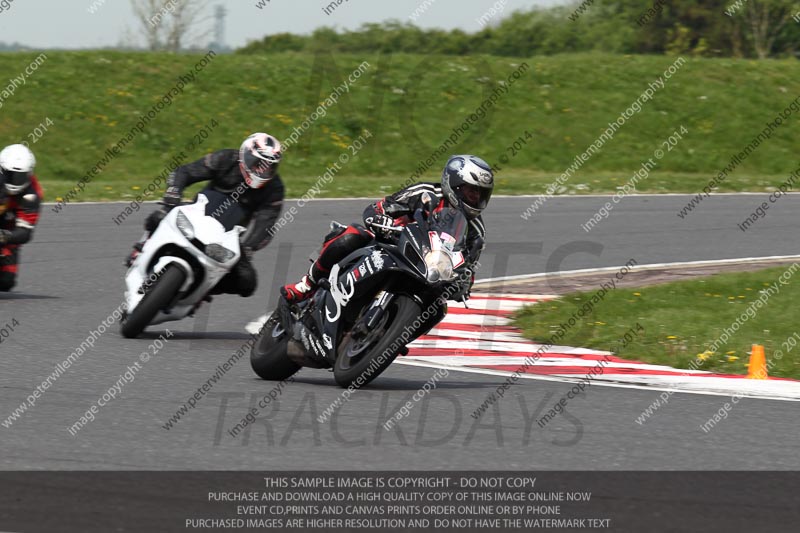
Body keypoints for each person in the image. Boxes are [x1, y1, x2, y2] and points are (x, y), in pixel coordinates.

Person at [281, 154, 493, 303]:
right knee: (353, 235)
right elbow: (378, 208)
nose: (476, 198)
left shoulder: (476, 230)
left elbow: (469, 267)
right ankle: (306, 285)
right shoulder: (425, 192)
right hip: (390, 244)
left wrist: (463, 284)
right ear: (454, 184)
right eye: (471, 191)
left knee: (438, 306)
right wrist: (382, 220)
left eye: (481, 194)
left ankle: (391, 339)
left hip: (426, 269)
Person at [131, 132, 284, 297]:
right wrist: (173, 194)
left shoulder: (274, 188)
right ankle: (142, 247)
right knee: (160, 216)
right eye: (258, 163)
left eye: (269, 167)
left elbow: (266, 225)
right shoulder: (226, 158)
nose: (262, 170)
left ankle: (204, 291)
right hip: (194, 215)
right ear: (246, 154)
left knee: (247, 282)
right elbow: (185, 172)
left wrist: (248, 248)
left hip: (226, 238)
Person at [0, 144, 43, 292]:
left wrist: (5, 236)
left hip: (8, 226)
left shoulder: (32, 194)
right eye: (10, 175)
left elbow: (25, 232)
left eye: (20, 176)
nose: (14, 181)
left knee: (6, 281)